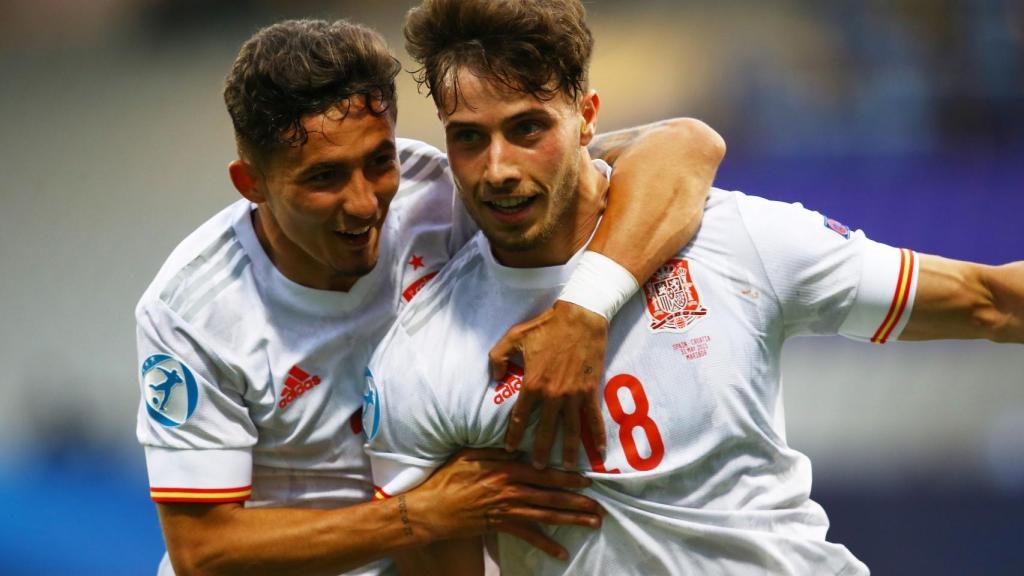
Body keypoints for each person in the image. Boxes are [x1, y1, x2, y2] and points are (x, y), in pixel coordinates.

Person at [363, 0, 1024, 574]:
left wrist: (585, 308)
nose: (498, 168)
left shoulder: (735, 241)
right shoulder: (420, 357)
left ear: (587, 118)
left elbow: (989, 300)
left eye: (528, 128)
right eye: (469, 139)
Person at [134, 17, 725, 576]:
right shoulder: (193, 310)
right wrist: (420, 515)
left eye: (378, 161)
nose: (365, 203)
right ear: (252, 184)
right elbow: (202, 553)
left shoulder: (439, 192)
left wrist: (584, 309)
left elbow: (684, 146)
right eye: (324, 178)